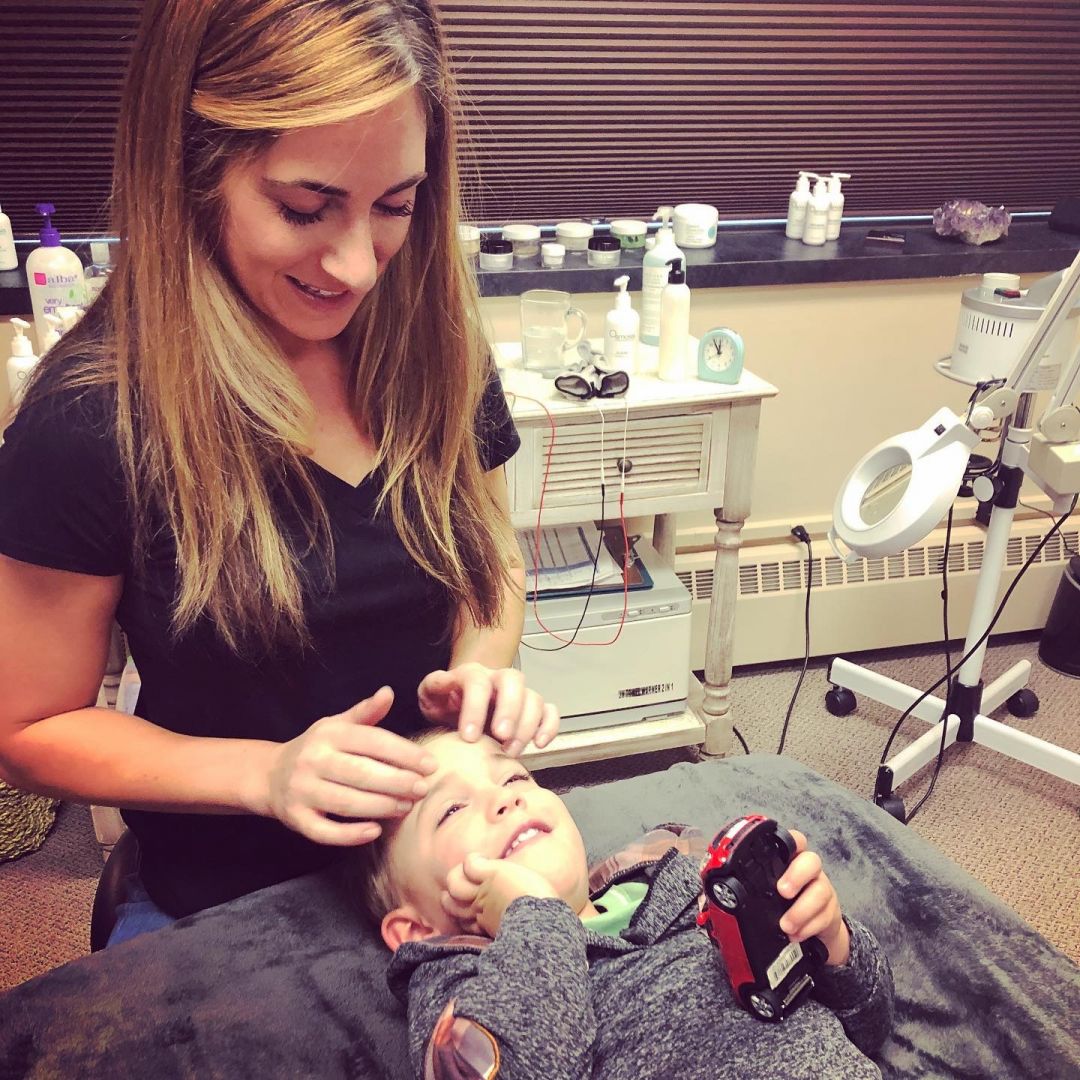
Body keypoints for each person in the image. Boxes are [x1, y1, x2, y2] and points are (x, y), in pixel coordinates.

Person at [0, 0, 557, 944]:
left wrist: (477, 673)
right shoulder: (89, 422)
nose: (358, 266)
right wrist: (264, 774)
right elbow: (29, 729)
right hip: (234, 906)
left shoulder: (436, 348)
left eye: (395, 205)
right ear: (189, 173)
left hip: (442, 885)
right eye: (305, 208)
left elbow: (489, 559)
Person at [353, 730, 895, 1079]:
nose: (505, 797)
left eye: (515, 776)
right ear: (414, 929)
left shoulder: (679, 875)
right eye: (452, 809)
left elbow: (868, 1026)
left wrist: (832, 942)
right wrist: (535, 916)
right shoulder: (457, 978)